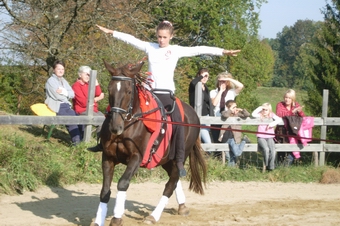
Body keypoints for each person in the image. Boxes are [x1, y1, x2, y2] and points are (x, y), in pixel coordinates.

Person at [96, 21, 241, 177]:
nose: (161, 40)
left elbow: (199, 49)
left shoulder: (175, 50)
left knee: (178, 122)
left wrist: (223, 51)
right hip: (148, 93)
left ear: (171, 36)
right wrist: (112, 32)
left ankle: (178, 160)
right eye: (159, 37)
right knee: (118, 106)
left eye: (164, 37)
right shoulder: (150, 47)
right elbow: (131, 39)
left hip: (166, 94)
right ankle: (104, 142)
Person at [45, 60, 82, 145]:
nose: (61, 71)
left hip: (66, 105)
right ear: (54, 70)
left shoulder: (63, 81)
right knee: (71, 120)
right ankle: (77, 143)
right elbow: (57, 96)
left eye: (62, 69)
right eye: (59, 69)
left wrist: (64, 91)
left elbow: (72, 94)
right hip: (57, 106)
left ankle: (83, 142)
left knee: (81, 119)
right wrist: (66, 94)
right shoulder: (51, 81)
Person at [72, 66, 105, 142]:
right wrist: (97, 99)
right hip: (82, 110)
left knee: (107, 121)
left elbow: (98, 93)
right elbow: (83, 103)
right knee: (101, 121)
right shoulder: (76, 86)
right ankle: (100, 143)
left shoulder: (88, 85)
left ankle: (102, 142)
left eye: (89, 75)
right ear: (80, 75)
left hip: (93, 110)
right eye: (86, 74)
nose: (88, 76)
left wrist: (96, 82)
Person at [275, 89, 305, 165]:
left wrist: (299, 111)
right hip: (282, 132)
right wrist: (291, 112)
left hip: (293, 132)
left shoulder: (296, 105)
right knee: (281, 150)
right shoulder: (280, 105)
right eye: (286, 97)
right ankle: (279, 166)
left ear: (293, 99)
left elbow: (302, 117)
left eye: (289, 98)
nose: (287, 99)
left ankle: (285, 166)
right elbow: (279, 114)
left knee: (293, 149)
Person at [218, 100, 250, 166]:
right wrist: (230, 110)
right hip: (224, 138)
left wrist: (241, 110)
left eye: (236, 107)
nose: (235, 108)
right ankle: (231, 171)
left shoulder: (237, 115)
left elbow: (247, 115)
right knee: (229, 157)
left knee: (237, 153)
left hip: (233, 138)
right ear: (228, 108)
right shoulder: (224, 112)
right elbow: (226, 115)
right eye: (234, 107)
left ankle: (244, 140)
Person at [252, 103, 283, 171]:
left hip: (270, 136)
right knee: (266, 149)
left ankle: (271, 166)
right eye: (263, 109)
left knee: (273, 150)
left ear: (269, 110)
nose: (264, 111)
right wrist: (260, 107)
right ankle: (266, 164)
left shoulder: (271, 115)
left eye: (266, 110)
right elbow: (253, 114)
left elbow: (279, 119)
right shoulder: (259, 115)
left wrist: (271, 124)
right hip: (261, 137)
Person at [188, 68, 214, 144]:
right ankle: (209, 152)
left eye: (207, 76)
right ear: (199, 75)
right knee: (208, 142)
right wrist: (201, 76)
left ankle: (205, 154)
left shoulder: (206, 88)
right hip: (197, 116)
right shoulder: (194, 85)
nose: (205, 78)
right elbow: (193, 82)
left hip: (206, 116)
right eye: (204, 76)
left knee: (204, 140)